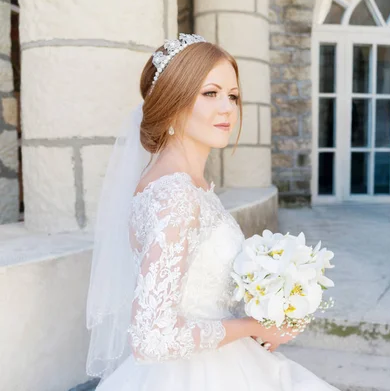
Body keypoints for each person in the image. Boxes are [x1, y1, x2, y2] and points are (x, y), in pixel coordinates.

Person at [85, 34, 338, 390]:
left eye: (233, 96)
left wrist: (272, 304)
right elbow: (152, 338)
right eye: (210, 93)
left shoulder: (188, 185)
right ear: (173, 101)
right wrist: (254, 327)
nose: (228, 109)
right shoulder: (175, 195)